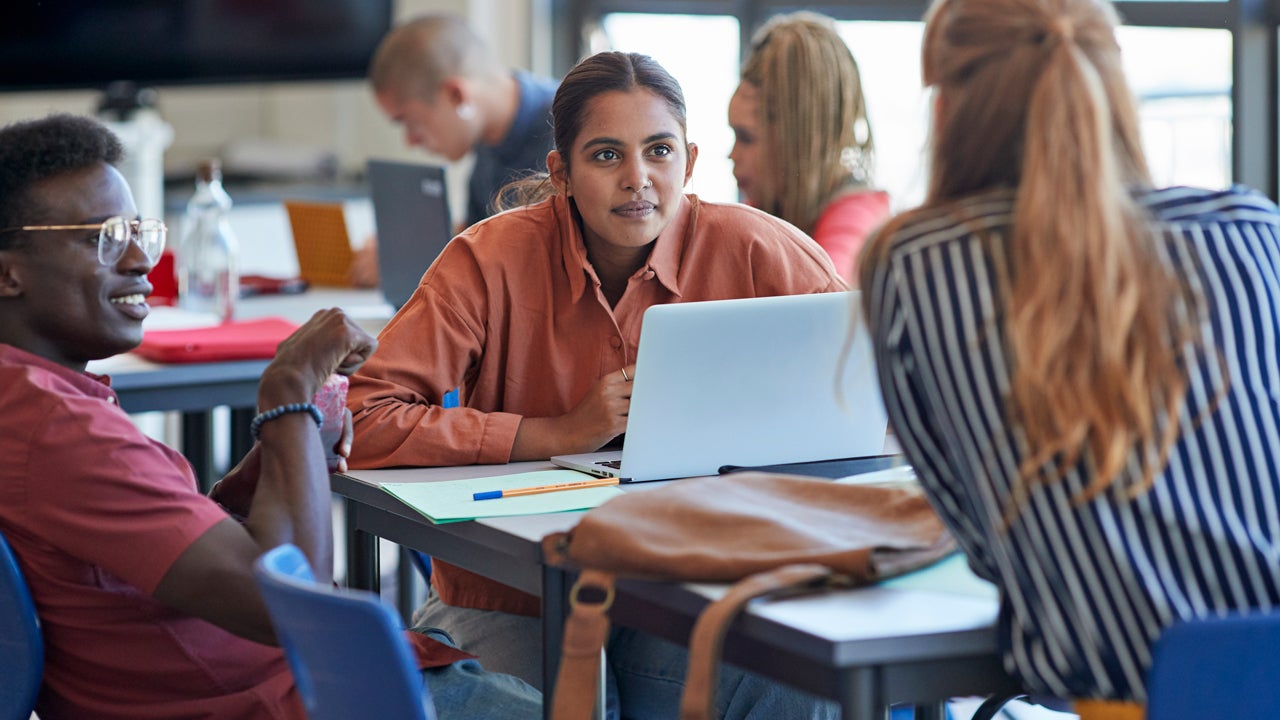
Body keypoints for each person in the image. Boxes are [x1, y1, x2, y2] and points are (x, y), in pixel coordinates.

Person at [349, 51, 845, 717]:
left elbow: (871, 398)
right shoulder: (488, 260)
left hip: (685, 591)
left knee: (796, 679)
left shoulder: (764, 253)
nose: (638, 179)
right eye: (607, 156)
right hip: (517, 594)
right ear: (562, 173)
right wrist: (550, 435)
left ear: (690, 163)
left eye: (659, 151)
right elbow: (364, 416)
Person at [0, 113, 540, 720]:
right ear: (7, 271)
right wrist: (289, 393)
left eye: (136, 231)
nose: (137, 259)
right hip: (303, 697)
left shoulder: (30, 401)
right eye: (100, 237)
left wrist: (283, 453)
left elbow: (170, 543)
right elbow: (295, 607)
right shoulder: (61, 430)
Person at [858, 0, 1280, 717]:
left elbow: (991, 548)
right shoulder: (1253, 227)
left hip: (1148, 696)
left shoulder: (920, 262)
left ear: (949, 102)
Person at [350, 13, 559, 287]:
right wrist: (408, 251)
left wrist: (426, 263)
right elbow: (482, 237)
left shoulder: (566, 130)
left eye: (411, 122)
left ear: (456, 95)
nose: (410, 141)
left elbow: (543, 267)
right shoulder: (487, 141)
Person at [728, 11, 890, 280]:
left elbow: (825, 297)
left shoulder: (858, 217)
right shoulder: (764, 209)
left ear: (795, 141)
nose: (732, 155)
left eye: (746, 138)